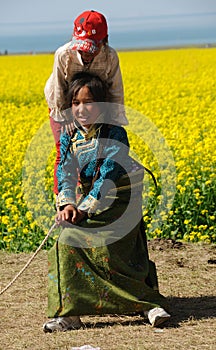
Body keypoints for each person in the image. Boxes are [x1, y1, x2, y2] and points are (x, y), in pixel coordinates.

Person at [42, 72, 171, 333]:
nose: (81, 109)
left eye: (88, 102)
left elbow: (109, 174)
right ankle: (70, 313)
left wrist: (83, 209)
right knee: (65, 241)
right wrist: (67, 205)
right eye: (76, 103)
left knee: (118, 254)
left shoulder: (115, 133)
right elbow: (65, 172)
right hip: (91, 200)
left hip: (122, 200)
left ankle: (148, 305)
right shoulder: (70, 136)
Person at [44, 9, 127, 195]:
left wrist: (113, 123)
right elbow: (59, 90)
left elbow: (115, 91)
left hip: (94, 104)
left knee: (96, 148)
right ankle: (62, 199)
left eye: (91, 48)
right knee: (65, 150)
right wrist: (66, 120)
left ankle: (88, 193)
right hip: (64, 104)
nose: (85, 53)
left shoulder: (110, 56)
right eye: (81, 46)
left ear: (104, 41)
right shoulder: (63, 54)